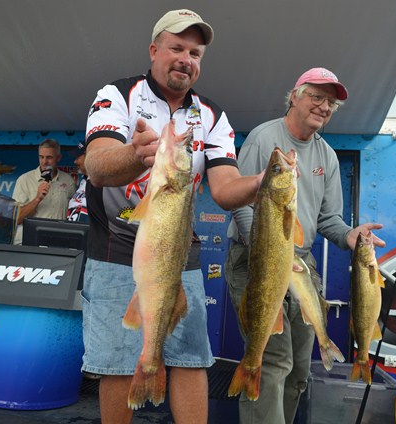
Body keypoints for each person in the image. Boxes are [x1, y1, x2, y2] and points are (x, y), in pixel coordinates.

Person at [81, 9, 264, 424]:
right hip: (114, 247)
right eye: (177, 48)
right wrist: (135, 154)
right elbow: (97, 166)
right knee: (117, 362)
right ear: (154, 50)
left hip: (180, 252)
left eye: (195, 54)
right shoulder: (117, 94)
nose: (186, 59)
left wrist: (260, 184)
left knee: (191, 358)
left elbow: (224, 189)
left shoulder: (213, 115)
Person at [225, 67, 386, 423]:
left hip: (299, 260)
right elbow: (240, 202)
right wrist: (267, 251)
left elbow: (330, 220)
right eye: (317, 97)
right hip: (256, 255)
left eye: (331, 104)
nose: (324, 107)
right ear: (294, 97)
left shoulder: (327, 155)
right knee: (273, 359)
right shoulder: (263, 138)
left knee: (299, 368)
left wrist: (351, 235)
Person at [12, 138, 76, 244]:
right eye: (41, 157)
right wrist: (37, 199)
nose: (44, 162)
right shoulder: (24, 180)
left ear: (59, 158)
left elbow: (73, 216)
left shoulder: (68, 181)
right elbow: (16, 220)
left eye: (49, 157)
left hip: (58, 243)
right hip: (30, 243)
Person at [66, 145, 89, 223]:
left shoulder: (104, 183)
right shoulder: (83, 182)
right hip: (74, 228)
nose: (75, 161)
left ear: (88, 156)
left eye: (78, 157)